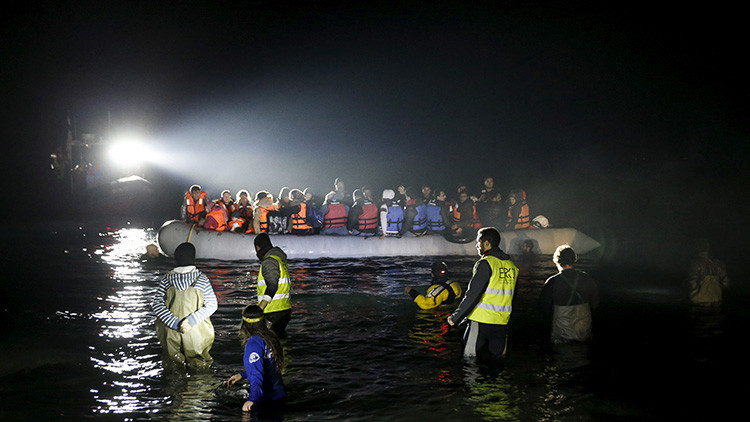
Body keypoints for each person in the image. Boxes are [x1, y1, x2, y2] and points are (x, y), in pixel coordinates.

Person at [448, 227, 518, 360]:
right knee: (498, 362)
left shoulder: (485, 263)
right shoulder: (512, 266)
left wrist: (456, 318)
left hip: (480, 321)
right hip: (502, 323)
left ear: (486, 243)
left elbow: (473, 294)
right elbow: (514, 297)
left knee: (469, 360)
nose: (476, 245)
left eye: (478, 242)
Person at [152, 242, 217, 369]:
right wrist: (190, 321)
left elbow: (157, 304)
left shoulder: (167, 279)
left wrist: (174, 323)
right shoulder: (201, 279)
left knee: (173, 366)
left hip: (171, 330)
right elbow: (212, 305)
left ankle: (174, 388)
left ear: (176, 259)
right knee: (200, 366)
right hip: (195, 331)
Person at [226, 304, 286, 414]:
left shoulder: (253, 343)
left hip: (266, 401)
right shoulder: (270, 337)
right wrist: (242, 375)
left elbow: (256, 376)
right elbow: (268, 366)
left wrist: (252, 400)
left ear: (245, 324)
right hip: (279, 395)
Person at [538, 245, 599, 344]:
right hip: (583, 331)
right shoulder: (586, 278)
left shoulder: (552, 282)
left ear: (557, 261)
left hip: (561, 333)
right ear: (574, 260)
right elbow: (595, 304)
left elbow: (543, 308)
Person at [254, 233, 292, 337]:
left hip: (273, 312)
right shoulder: (280, 260)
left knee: (271, 342)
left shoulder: (269, 261)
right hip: (285, 310)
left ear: (258, 247)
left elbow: (272, 286)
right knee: (280, 341)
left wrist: (260, 308)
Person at [687, 238, 730, 308]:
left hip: (700, 302)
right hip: (717, 301)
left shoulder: (696, 264)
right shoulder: (718, 263)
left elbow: (692, 282)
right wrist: (717, 290)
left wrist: (695, 292)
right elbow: (726, 283)